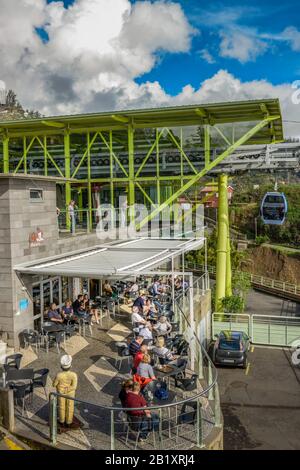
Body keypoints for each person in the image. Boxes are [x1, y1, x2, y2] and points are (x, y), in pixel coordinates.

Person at [53, 355, 78, 429]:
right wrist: (67, 389)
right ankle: (69, 422)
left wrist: (62, 389)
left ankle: (62, 421)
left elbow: (54, 384)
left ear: (61, 366)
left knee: (61, 407)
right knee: (70, 407)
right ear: (70, 366)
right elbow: (74, 387)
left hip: (61, 393)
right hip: (71, 393)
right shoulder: (74, 375)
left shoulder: (59, 375)